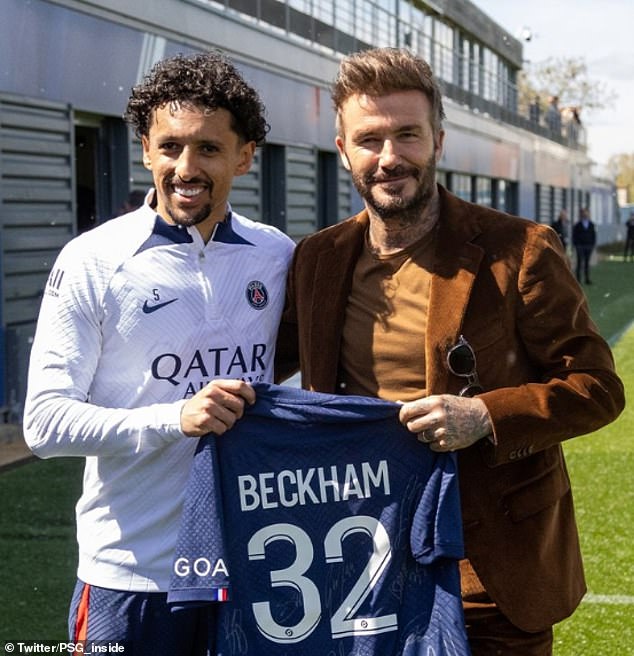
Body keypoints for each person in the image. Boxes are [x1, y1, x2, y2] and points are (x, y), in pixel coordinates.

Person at [275, 47, 624, 655]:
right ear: (342, 149)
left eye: (407, 135)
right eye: (370, 139)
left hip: (489, 572)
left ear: (438, 139)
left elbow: (595, 387)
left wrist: (484, 416)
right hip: (362, 561)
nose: (389, 158)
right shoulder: (316, 260)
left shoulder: (519, 249)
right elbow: (260, 366)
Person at [23, 51, 294, 654]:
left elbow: (295, 382)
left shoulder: (275, 256)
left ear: (245, 156)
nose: (185, 167)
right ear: (146, 149)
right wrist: (175, 419)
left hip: (250, 562)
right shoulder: (92, 260)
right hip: (131, 572)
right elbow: (43, 423)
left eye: (208, 148)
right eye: (169, 147)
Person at [572, 207, 597, 283]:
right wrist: (576, 245)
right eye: (583, 213)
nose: (585, 214)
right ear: (581, 214)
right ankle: (578, 279)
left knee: (587, 263)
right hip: (580, 246)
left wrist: (592, 245)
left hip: (588, 246)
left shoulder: (592, 225)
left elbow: (594, 235)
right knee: (580, 262)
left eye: (586, 212)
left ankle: (587, 279)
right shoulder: (577, 225)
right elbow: (574, 236)